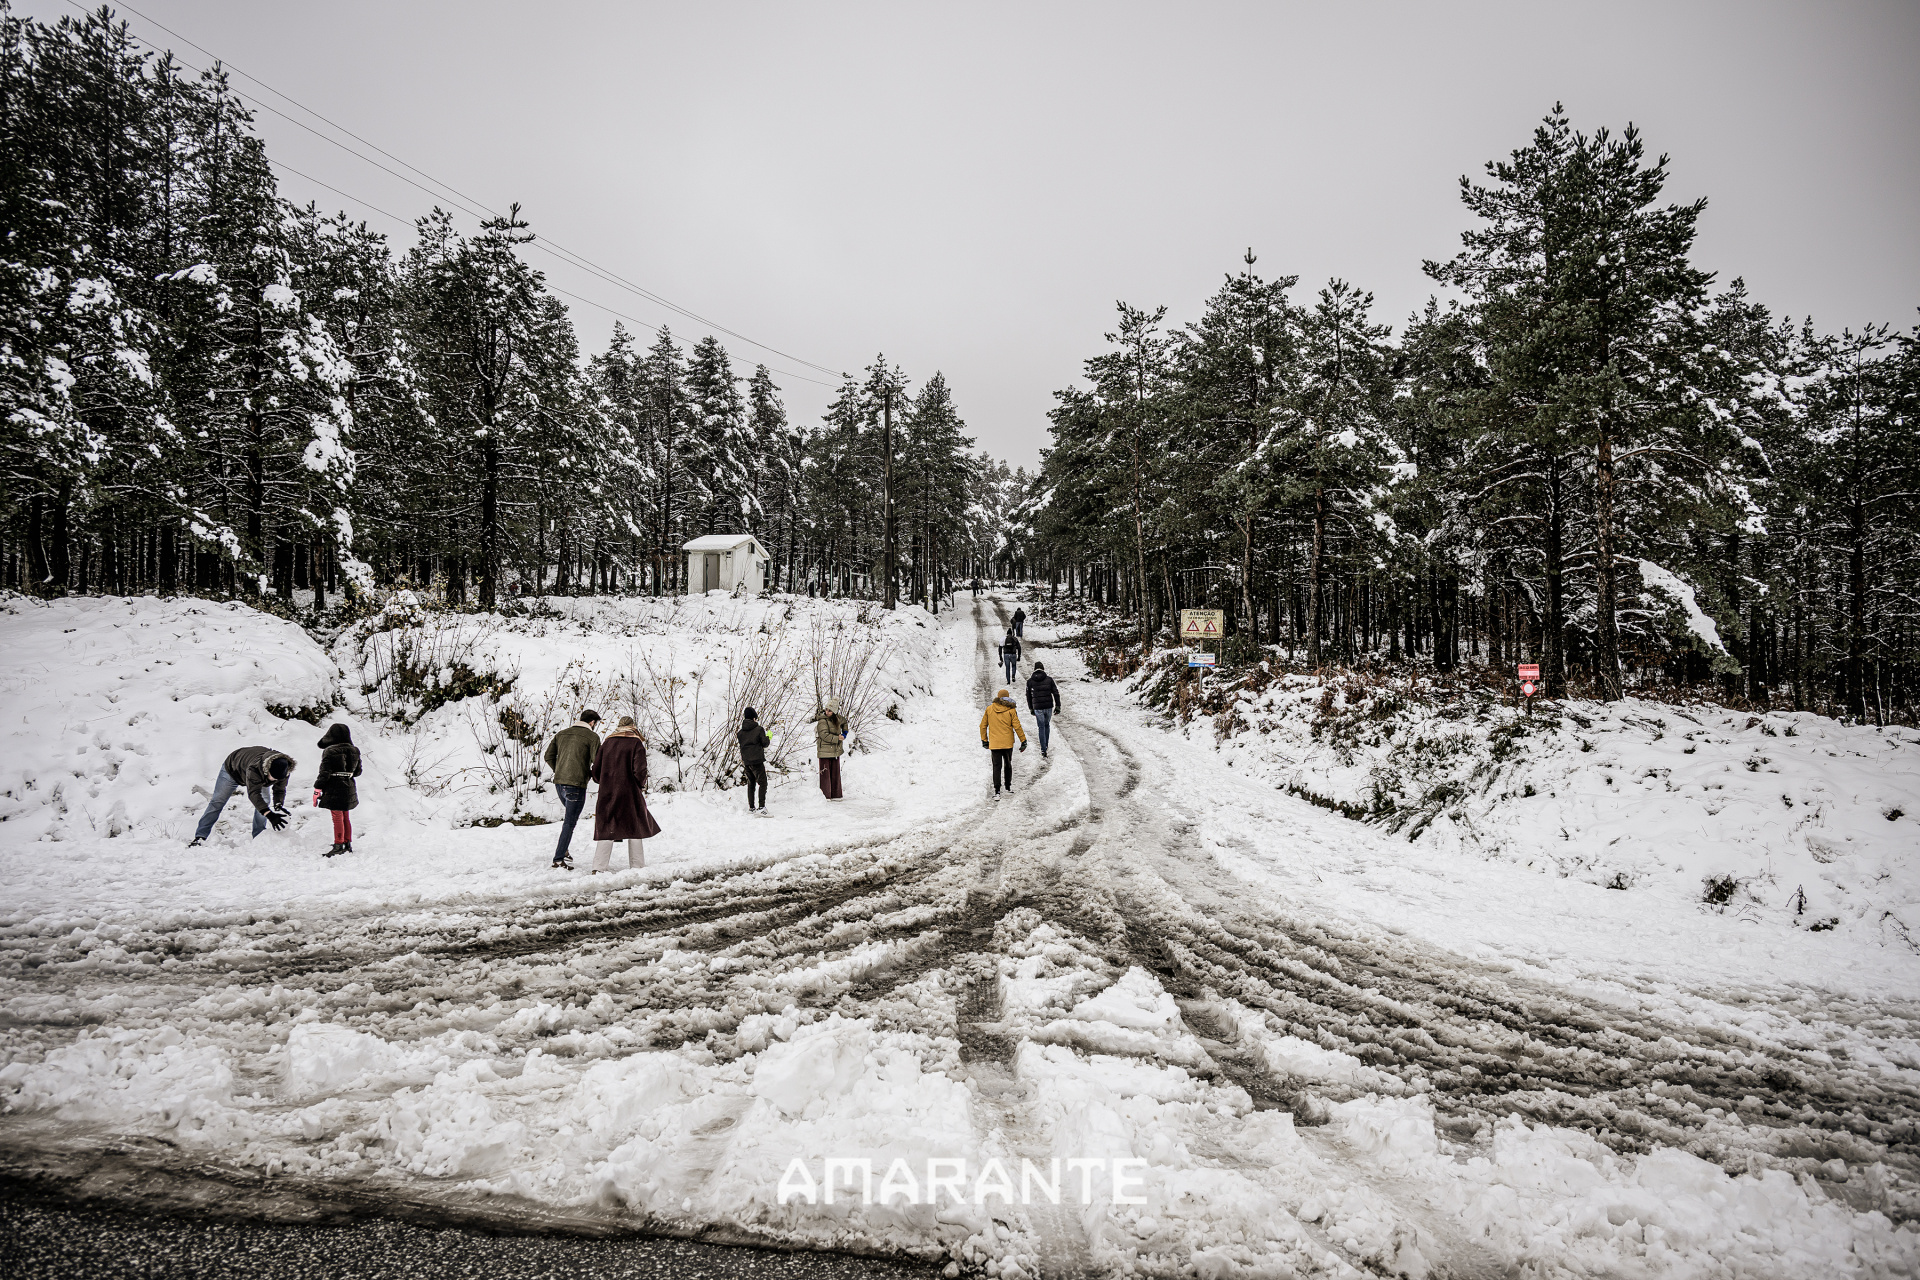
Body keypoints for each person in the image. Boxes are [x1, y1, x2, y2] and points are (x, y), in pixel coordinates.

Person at [589, 715, 660, 873]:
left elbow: (596, 769)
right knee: (635, 826)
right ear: (632, 726)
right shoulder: (635, 742)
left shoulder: (607, 742)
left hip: (607, 791)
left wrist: (604, 781)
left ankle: (598, 867)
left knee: (607, 826)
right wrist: (639, 785)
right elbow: (640, 770)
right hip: (629, 791)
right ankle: (637, 865)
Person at [189, 745, 295, 846]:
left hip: (257, 775)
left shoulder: (284, 770)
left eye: (277, 779)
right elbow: (254, 794)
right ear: (268, 769)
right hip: (232, 770)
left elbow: (279, 789)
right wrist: (269, 814)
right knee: (217, 801)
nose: (274, 780)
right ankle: (200, 837)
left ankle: (259, 837)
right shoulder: (255, 768)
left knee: (265, 802)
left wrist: (278, 805)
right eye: (272, 777)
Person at [543, 709, 601, 869]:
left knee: (569, 820)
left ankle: (564, 850)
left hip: (559, 783)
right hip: (576, 784)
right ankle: (558, 859)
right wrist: (592, 775)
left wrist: (559, 769)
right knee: (569, 822)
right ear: (592, 722)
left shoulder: (561, 734)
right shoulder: (592, 737)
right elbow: (597, 761)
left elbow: (548, 756)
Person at [312, 724, 362, 857]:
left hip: (334, 785)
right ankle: (347, 843)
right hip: (349, 784)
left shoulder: (330, 751)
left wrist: (317, 789)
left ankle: (338, 845)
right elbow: (358, 772)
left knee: (337, 817)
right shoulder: (355, 750)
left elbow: (324, 773)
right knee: (345, 815)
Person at [978, 688, 1028, 797]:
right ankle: (1008, 786)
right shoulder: (1011, 710)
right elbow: (1017, 726)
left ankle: (997, 790)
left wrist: (984, 740)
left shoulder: (989, 709)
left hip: (995, 743)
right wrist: (1023, 740)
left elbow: (983, 726)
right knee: (1008, 764)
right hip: (1007, 742)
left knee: (996, 766)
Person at [811, 697, 848, 799]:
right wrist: (838, 738)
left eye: (830, 710)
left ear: (834, 711)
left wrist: (845, 733)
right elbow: (824, 735)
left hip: (835, 750)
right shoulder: (822, 721)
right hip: (824, 751)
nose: (827, 712)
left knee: (835, 773)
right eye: (826, 709)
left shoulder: (837, 719)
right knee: (825, 775)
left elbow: (844, 722)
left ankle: (836, 795)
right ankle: (825, 796)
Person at [738, 706, 771, 813]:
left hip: (746, 761)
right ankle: (761, 807)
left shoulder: (740, 733)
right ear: (753, 718)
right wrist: (768, 736)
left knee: (751, 783)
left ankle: (751, 807)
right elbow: (765, 743)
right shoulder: (759, 730)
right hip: (757, 761)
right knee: (763, 783)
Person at [1025, 662, 1061, 758]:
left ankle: (1043, 749)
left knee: (1041, 727)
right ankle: (1046, 745)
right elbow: (1056, 693)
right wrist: (1058, 705)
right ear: (1043, 669)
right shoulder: (1049, 680)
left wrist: (1031, 708)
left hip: (1038, 707)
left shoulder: (1030, 681)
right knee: (1046, 725)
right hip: (1048, 706)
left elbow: (1028, 696)